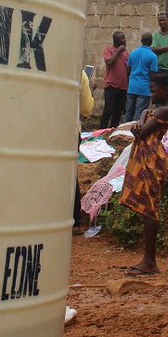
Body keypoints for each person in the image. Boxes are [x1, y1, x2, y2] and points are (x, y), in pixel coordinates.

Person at [118, 72, 168, 276]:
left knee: (150, 209)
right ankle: (148, 259)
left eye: (154, 91)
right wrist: (142, 118)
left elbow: (141, 131)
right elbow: (142, 121)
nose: (151, 94)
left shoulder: (166, 110)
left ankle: (150, 261)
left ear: (166, 91)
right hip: (147, 158)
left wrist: (141, 121)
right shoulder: (158, 110)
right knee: (146, 209)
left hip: (152, 160)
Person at [74, 66, 95, 235]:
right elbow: (87, 109)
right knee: (68, 175)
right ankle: (74, 221)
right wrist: (91, 88)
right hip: (69, 131)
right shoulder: (79, 74)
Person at [124, 33, 159, 123]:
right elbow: (153, 75)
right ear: (151, 42)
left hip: (132, 87)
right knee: (139, 115)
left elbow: (128, 70)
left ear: (141, 41)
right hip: (144, 88)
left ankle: (123, 130)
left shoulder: (132, 53)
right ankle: (135, 131)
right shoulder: (153, 56)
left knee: (128, 112)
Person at [99, 31, 129, 130]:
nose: (125, 40)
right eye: (122, 38)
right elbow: (110, 61)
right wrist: (118, 51)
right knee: (108, 110)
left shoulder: (126, 53)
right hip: (111, 86)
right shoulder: (108, 50)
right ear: (115, 40)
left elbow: (128, 69)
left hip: (123, 87)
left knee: (118, 111)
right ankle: (102, 130)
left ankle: (112, 130)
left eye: (124, 38)